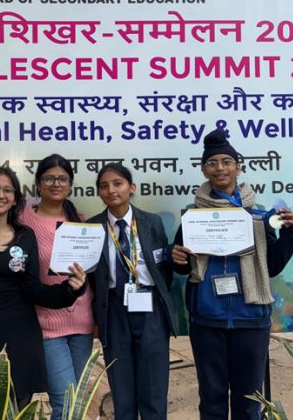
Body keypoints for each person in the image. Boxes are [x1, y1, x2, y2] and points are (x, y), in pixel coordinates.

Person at [173, 130, 293, 420]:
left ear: (238, 167)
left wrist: (291, 232)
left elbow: (272, 267)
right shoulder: (192, 217)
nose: (220, 168)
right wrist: (176, 258)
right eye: (213, 163)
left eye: (226, 161)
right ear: (204, 170)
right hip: (207, 320)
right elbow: (183, 264)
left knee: (249, 403)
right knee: (212, 402)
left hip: (251, 319)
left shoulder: (258, 215)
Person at [0, 166, 87, 412]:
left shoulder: (24, 236)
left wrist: (69, 290)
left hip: (22, 333)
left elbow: (33, 289)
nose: (1, 195)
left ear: (15, 198)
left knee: (20, 407)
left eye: (8, 190)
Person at [87, 163, 189, 420]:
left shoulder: (151, 222)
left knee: (154, 390)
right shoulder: (91, 227)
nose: (111, 190)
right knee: (122, 393)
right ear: (99, 192)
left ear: (131, 188)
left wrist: (173, 259)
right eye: (104, 186)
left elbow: (163, 265)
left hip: (149, 307)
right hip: (113, 312)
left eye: (118, 183)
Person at [18, 154, 95, 420]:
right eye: (49, 178)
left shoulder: (80, 221)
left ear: (71, 184)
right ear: (38, 183)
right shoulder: (22, 222)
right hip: (47, 325)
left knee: (79, 401)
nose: (56, 183)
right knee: (65, 404)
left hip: (82, 322)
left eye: (62, 179)